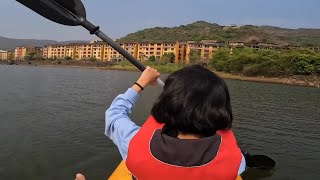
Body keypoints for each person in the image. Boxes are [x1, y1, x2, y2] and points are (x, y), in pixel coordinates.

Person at [75, 65, 245, 180]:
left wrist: (141, 82)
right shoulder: (237, 161)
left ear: (167, 102)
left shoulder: (133, 141)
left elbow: (114, 114)